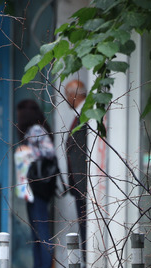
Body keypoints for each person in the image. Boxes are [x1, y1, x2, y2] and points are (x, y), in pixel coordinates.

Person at [14, 99, 57, 268]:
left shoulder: (36, 130)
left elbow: (49, 151)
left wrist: (29, 150)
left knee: (41, 230)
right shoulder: (35, 130)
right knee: (36, 230)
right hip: (34, 187)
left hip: (39, 186)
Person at [62, 80, 89, 253]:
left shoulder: (87, 116)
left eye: (66, 95)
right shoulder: (80, 115)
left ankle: (89, 266)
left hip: (85, 184)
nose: (66, 99)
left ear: (73, 95)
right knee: (83, 225)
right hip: (79, 184)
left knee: (87, 226)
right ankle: (87, 265)